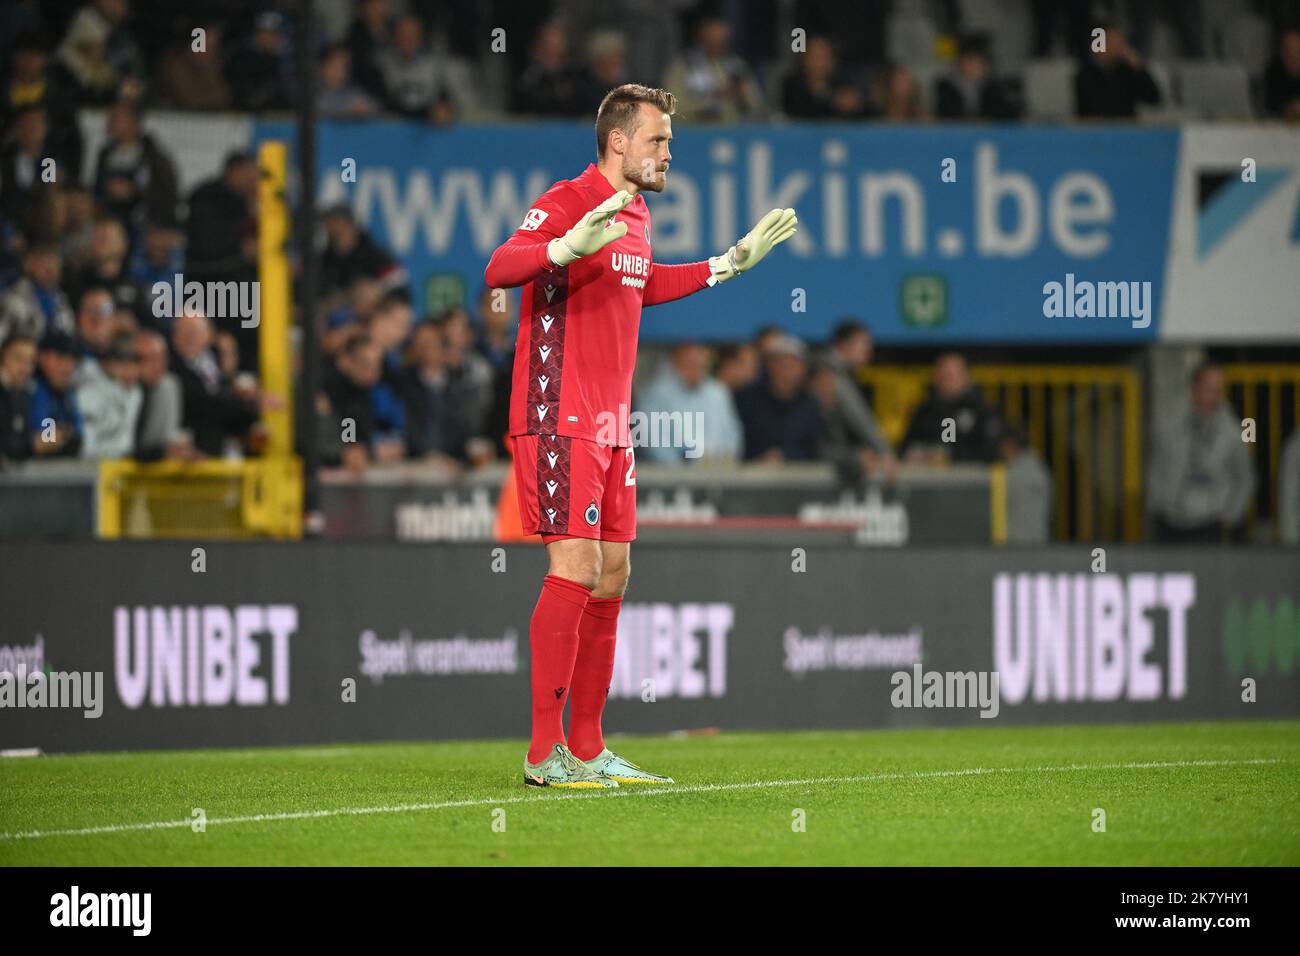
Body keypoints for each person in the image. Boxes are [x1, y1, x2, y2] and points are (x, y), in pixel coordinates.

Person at [484, 82, 796, 789]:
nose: (666, 153)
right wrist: (561, 247)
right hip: (558, 408)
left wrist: (725, 264)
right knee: (576, 568)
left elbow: (640, 283)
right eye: (658, 140)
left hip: (609, 423)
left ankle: (590, 748)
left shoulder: (638, 213)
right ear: (618, 140)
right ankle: (543, 756)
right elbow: (500, 267)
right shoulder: (568, 199)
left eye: (669, 143)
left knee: (615, 571)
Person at [1148, 362, 1255, 544]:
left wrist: (1232, 514)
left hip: (1210, 521)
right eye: (1208, 387)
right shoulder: (1170, 424)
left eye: (1218, 388)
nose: (1213, 393)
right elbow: (1157, 465)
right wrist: (1156, 503)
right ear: (1195, 387)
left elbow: (1245, 477)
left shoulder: (1233, 432)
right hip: (1170, 518)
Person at [901, 352, 1002, 464]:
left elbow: (991, 451)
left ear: (965, 376)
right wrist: (919, 454)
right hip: (931, 479)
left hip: (970, 478)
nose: (947, 380)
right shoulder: (925, 410)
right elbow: (905, 446)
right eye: (943, 374)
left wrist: (950, 456)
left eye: (951, 375)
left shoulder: (982, 410)